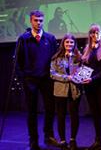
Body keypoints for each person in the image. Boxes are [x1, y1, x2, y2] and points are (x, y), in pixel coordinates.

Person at [15, 10, 59, 150]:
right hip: (30, 80)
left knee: (50, 109)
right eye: (35, 20)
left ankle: (48, 137)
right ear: (31, 21)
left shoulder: (50, 38)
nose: (38, 23)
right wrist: (23, 77)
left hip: (47, 79)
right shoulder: (24, 39)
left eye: (40, 20)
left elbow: (55, 59)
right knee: (32, 111)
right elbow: (18, 60)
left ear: (43, 21)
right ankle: (33, 140)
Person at [81, 24, 101, 150]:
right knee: (95, 114)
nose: (95, 35)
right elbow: (84, 67)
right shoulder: (86, 49)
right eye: (92, 33)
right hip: (89, 87)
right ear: (90, 35)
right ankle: (98, 140)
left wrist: (92, 79)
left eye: (97, 32)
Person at [50, 33, 82, 150]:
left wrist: (80, 77)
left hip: (74, 90)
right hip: (60, 90)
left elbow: (82, 72)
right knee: (61, 116)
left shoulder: (79, 57)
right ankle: (63, 140)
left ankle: (73, 139)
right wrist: (65, 78)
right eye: (67, 42)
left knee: (74, 116)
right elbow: (52, 74)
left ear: (74, 44)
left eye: (71, 42)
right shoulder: (56, 57)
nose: (69, 44)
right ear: (63, 43)